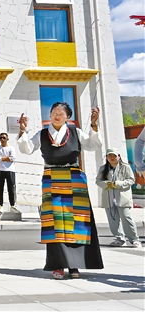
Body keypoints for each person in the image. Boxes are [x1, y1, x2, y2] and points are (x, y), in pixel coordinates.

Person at [17, 103, 104, 280]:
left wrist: (94, 124)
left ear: (68, 117)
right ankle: (57, 265)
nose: (56, 115)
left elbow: (93, 145)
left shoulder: (75, 132)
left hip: (74, 178)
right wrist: (22, 130)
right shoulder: (42, 134)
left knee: (76, 221)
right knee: (55, 222)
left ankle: (74, 265)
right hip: (52, 178)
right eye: (54, 112)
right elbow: (26, 148)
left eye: (61, 113)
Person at [95, 148, 141, 248]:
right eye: (109, 156)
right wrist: (107, 184)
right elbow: (98, 181)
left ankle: (134, 240)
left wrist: (118, 184)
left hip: (123, 198)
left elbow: (131, 180)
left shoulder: (125, 167)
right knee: (113, 220)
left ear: (119, 157)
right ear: (107, 157)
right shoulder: (103, 168)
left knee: (126, 218)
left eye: (114, 156)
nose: (112, 158)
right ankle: (119, 238)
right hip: (109, 198)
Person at [0, 133, 18, 214]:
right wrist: (7, 158)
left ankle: (12, 205)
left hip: (10, 170)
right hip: (0, 170)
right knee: (0, 189)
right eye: (0, 138)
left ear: (7, 139)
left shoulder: (11, 148)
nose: (2, 139)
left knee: (11, 188)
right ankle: (0, 205)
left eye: (4, 138)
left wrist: (2, 158)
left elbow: (13, 158)